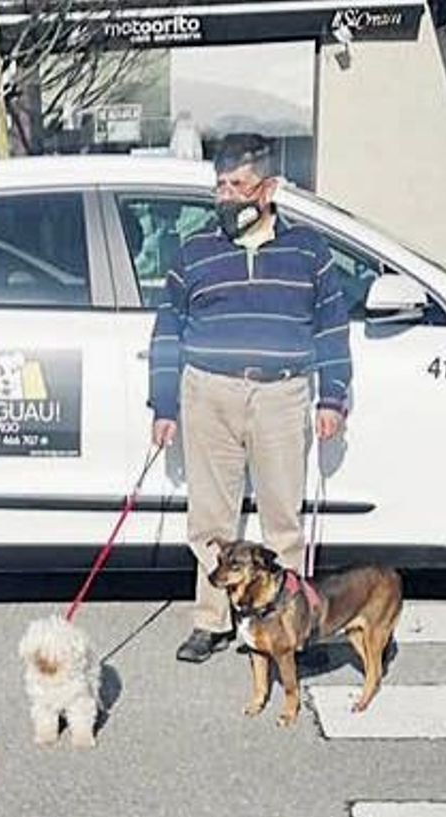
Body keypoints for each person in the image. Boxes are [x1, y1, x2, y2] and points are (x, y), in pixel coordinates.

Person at [147, 134, 352, 663]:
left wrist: (332, 397)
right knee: (211, 519)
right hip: (208, 392)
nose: (227, 196)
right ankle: (211, 621)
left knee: (282, 519)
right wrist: (164, 406)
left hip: (282, 393)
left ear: (268, 188)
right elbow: (168, 329)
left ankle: (290, 623)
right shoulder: (194, 253)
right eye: (220, 185)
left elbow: (332, 326)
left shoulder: (309, 250)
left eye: (238, 185)